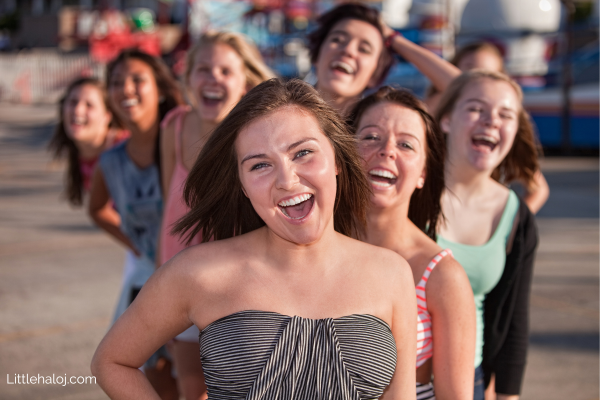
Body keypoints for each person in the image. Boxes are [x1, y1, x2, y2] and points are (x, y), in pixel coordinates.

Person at [91, 78, 418, 400]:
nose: (287, 181)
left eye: (303, 153)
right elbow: (113, 361)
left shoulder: (391, 273)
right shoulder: (198, 273)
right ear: (243, 186)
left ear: (337, 160)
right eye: (260, 165)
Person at [158, 31, 274, 400]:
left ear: (245, 82)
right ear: (188, 77)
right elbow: (170, 207)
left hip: (234, 288)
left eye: (226, 71)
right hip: (177, 282)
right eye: (204, 69)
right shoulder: (173, 127)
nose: (213, 78)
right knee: (190, 389)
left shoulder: (252, 137)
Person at [349, 86, 476, 400]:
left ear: (422, 173)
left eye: (406, 144)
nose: (387, 150)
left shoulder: (443, 276)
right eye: (370, 137)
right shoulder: (310, 246)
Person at [434, 70, 539, 400]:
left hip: (469, 382)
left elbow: (514, 322)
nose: (492, 120)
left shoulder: (515, 216)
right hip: (395, 378)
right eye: (477, 108)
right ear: (447, 120)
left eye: (506, 114)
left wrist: (508, 395)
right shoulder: (408, 192)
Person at [88, 49, 184, 400]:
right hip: (146, 284)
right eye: (116, 82)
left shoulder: (182, 142)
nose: (125, 89)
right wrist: (136, 245)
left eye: (136, 80)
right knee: (155, 383)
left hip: (192, 280)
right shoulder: (112, 160)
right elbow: (97, 209)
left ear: (158, 89)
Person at [426, 42, 549, 213]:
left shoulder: (499, 130)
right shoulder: (431, 109)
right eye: (470, 70)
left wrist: (511, 225)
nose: (478, 79)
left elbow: (538, 189)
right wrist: (395, 40)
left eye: (488, 73)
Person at [307, 3, 460, 116]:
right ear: (316, 55)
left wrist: (394, 39)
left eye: (364, 49)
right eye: (338, 40)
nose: (348, 51)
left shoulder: (381, 124)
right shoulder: (284, 108)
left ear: (375, 73)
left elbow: (462, 88)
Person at [48, 77, 128, 207]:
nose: (77, 110)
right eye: (73, 102)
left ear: (107, 116)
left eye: (89, 105)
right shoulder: (81, 155)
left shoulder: (127, 150)